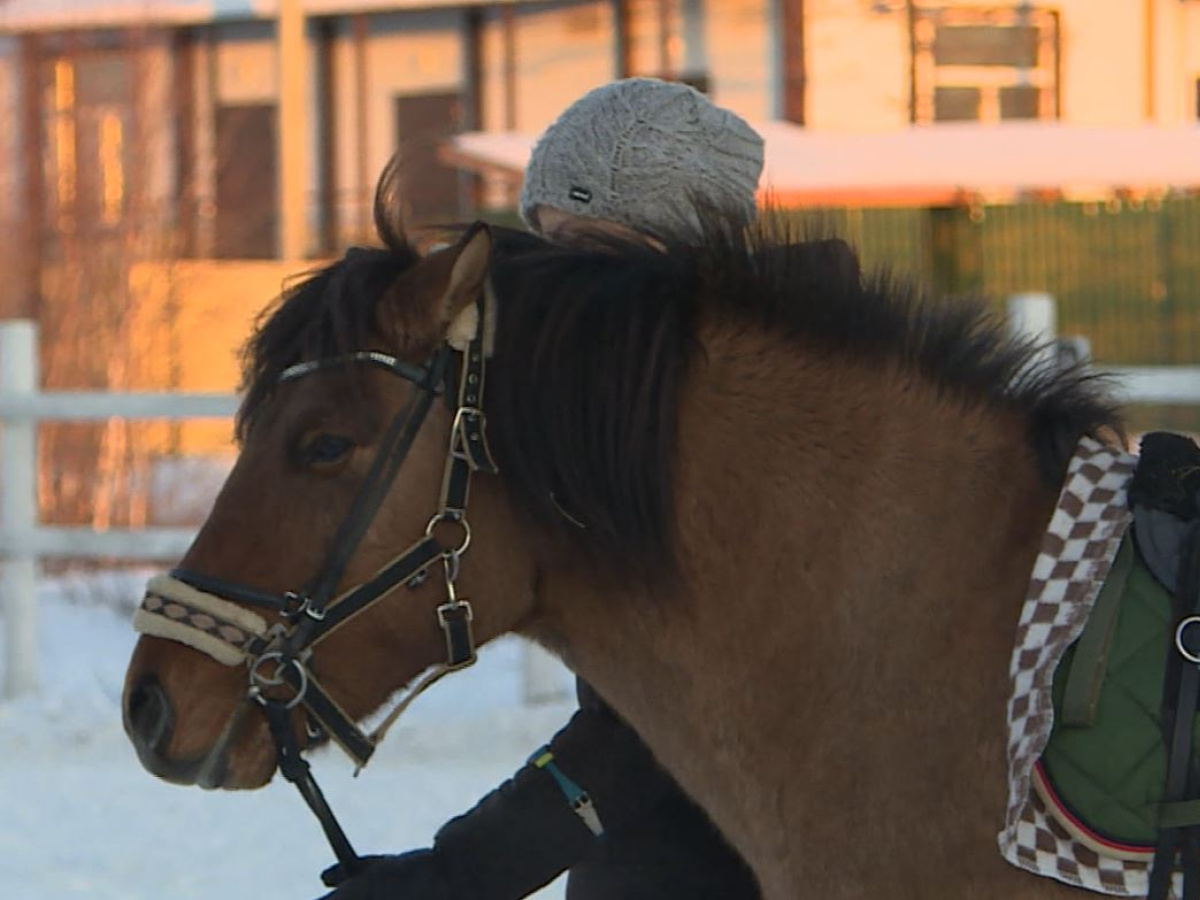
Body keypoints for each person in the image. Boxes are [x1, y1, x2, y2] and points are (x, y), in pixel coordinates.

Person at [318, 78, 857, 900]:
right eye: (546, 241)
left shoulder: (768, 419)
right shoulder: (647, 399)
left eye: (588, 243)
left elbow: (655, 729)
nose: (561, 278)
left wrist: (458, 874)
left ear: (684, 246)